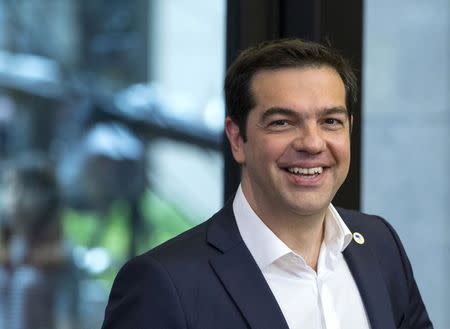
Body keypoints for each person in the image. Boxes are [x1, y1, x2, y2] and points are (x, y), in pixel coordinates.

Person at [101, 39, 433, 329]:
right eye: (282, 123)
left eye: (330, 121)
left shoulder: (379, 245)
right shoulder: (163, 284)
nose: (312, 143)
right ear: (237, 139)